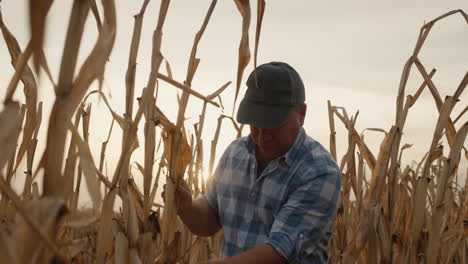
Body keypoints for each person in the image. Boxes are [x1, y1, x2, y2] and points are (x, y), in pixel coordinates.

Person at [163, 62, 341, 264]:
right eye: (255, 122)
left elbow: (281, 252)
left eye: (273, 123)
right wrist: (187, 208)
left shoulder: (320, 172)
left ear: (301, 114)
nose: (263, 134)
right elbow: (211, 218)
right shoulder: (235, 153)